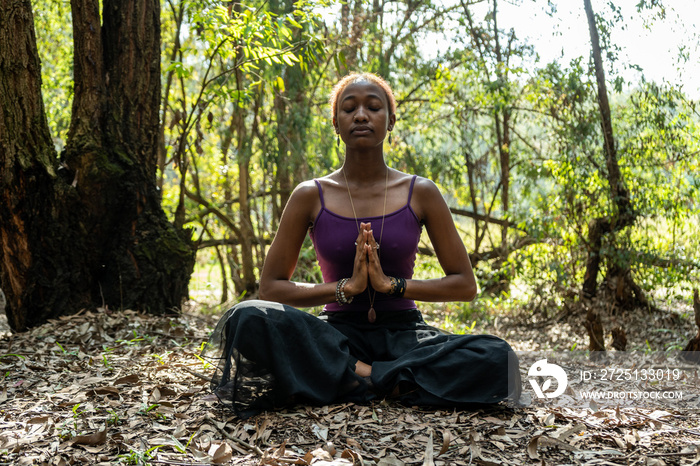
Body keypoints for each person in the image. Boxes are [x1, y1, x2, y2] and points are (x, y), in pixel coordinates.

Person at [202, 72, 520, 419]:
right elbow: (271, 287)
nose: (361, 115)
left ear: (391, 121)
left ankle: (357, 378)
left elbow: (465, 285)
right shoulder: (310, 194)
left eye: (373, 107)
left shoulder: (421, 191)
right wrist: (346, 288)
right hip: (335, 337)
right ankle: (386, 378)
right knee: (246, 319)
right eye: (349, 108)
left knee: (497, 357)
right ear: (336, 124)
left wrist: (391, 286)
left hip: (404, 335)